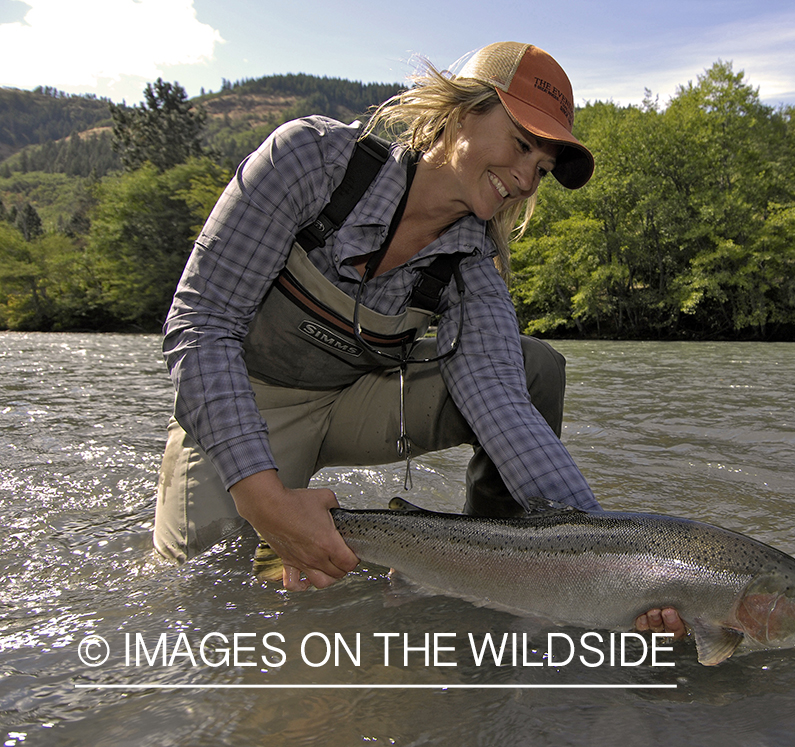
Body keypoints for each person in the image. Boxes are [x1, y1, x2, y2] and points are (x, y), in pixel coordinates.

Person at [153, 41, 683, 638]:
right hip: (250, 401)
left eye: (541, 167)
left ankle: (503, 570)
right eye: (521, 143)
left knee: (535, 370)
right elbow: (200, 323)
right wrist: (265, 501)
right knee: (200, 600)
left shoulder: (472, 263)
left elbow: (498, 399)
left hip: (356, 400)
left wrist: (608, 561)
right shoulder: (310, 159)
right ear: (461, 113)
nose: (526, 177)